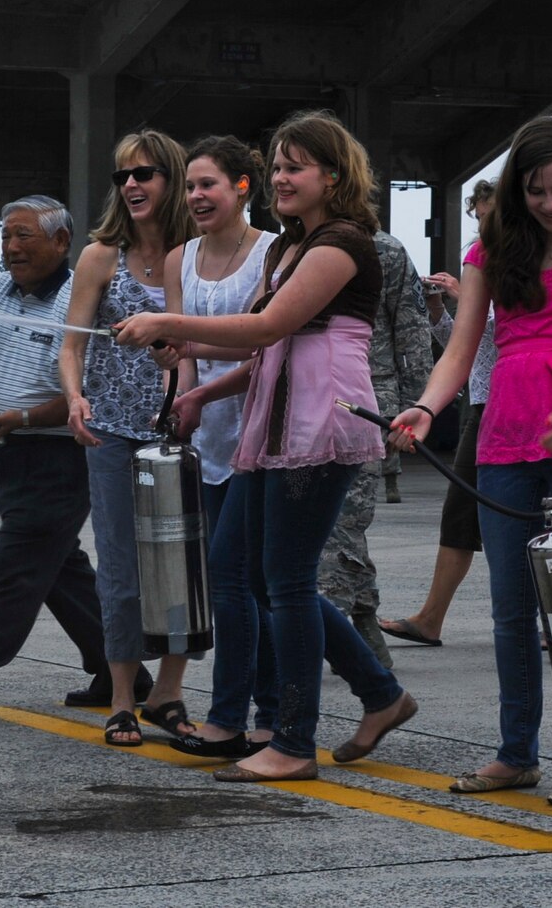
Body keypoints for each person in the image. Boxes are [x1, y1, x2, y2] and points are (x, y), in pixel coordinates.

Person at [116, 110, 415, 783]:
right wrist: (189, 359)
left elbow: (269, 324)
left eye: (294, 167)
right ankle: (380, 692)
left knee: (283, 580)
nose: (281, 177)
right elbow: (262, 346)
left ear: (332, 176)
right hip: (275, 425)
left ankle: (294, 739)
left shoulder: (341, 242)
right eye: (277, 166)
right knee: (247, 572)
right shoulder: (289, 246)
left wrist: (167, 318)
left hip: (319, 426)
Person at [389, 116, 552, 805]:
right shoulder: (490, 251)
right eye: (534, 191)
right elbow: (461, 350)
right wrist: (426, 408)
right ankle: (514, 752)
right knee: (509, 611)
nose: (551, 204)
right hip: (506, 437)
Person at [0, 196, 115, 722]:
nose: (11, 248)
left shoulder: (80, 296)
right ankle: (119, 666)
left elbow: (86, 388)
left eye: (24, 236)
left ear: (60, 241)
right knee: (55, 567)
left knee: (15, 570)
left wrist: (27, 418)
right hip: (10, 452)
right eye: (6, 237)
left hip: (61, 452)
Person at [59, 129, 193, 744]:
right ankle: (120, 697)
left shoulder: (195, 253)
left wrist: (180, 363)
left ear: (171, 179)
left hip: (182, 428)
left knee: (182, 562)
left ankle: (169, 691)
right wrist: (74, 395)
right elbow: (72, 342)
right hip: (111, 430)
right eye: (123, 176)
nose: (132, 185)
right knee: (119, 567)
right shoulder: (100, 256)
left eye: (145, 173)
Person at [158, 134, 279, 760]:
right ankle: (261, 713)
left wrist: (193, 368)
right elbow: (181, 352)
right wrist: (184, 397)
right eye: (190, 186)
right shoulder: (181, 257)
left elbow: (264, 346)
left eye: (207, 184)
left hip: (259, 433)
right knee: (241, 583)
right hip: (207, 438)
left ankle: (242, 716)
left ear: (241, 186)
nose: (195, 196)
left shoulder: (272, 254)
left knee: (244, 584)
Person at [381, 183, 499, 648]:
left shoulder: (515, 258)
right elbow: (467, 344)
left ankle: (434, 617)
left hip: (507, 402)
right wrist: (440, 308)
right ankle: (431, 616)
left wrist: (461, 292)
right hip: (481, 400)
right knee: (460, 514)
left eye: (493, 215)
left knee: (508, 517)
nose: (485, 226)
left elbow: (505, 330)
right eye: (481, 217)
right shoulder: (482, 254)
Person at [321, 228, 432, 666]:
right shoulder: (288, 246)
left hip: (366, 402)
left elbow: (411, 329)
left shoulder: (383, 250)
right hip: (305, 399)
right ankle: (368, 642)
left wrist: (416, 407)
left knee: (341, 526)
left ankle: (328, 644)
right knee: (333, 529)